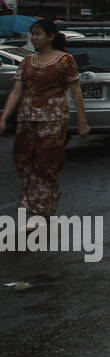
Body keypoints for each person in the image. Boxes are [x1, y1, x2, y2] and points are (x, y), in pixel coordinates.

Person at [0, 19, 89, 230]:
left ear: (50, 36)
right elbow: (16, 91)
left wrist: (82, 121)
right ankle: (48, 195)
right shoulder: (27, 62)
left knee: (44, 163)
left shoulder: (65, 61)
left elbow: (76, 92)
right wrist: (3, 118)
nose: (34, 38)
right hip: (26, 119)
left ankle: (37, 212)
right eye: (32, 34)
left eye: (38, 33)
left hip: (53, 119)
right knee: (23, 161)